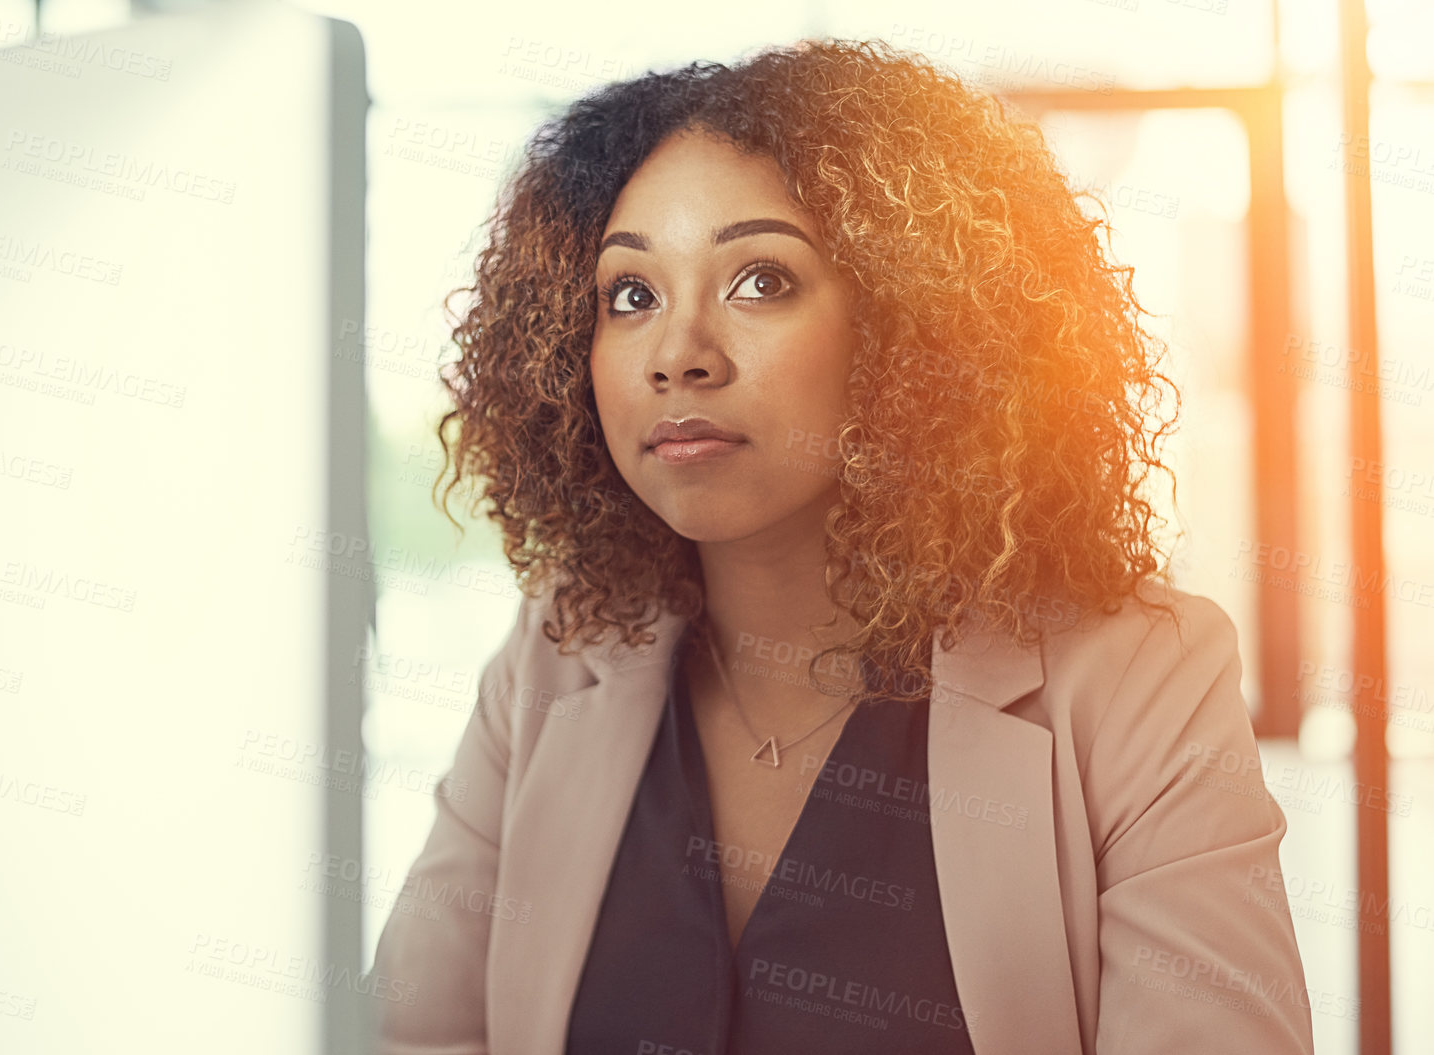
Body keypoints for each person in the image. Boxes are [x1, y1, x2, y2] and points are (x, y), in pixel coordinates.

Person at [367, 38, 1314, 1055]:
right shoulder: (554, 654)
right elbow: (412, 1034)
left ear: (912, 326)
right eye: (629, 294)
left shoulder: (1138, 674)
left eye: (760, 279)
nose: (678, 355)